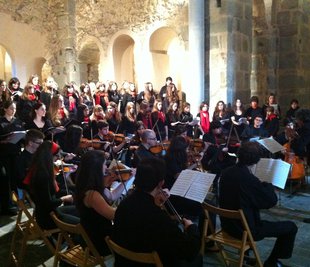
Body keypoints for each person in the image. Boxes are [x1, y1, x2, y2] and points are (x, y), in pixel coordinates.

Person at [112, 157, 202, 267]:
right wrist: (192, 228)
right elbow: (188, 252)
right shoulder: (159, 218)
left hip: (124, 262)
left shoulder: (123, 204)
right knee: (196, 258)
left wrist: (158, 205)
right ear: (161, 183)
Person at [219, 141, 298, 267]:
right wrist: (268, 185)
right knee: (291, 227)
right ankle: (272, 263)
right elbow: (270, 202)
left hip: (226, 225)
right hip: (246, 230)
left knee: (245, 208)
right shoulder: (250, 180)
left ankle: (246, 256)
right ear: (257, 160)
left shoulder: (225, 173)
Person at [26, 141, 77, 229]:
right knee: (84, 224)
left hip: (48, 212)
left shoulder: (38, 168)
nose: (57, 159)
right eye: (56, 156)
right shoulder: (42, 176)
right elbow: (49, 203)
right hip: (48, 218)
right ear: (49, 156)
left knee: (79, 210)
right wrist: (64, 198)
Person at [75, 150, 117, 256]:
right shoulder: (92, 195)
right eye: (104, 165)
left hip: (89, 234)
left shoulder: (83, 184)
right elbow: (113, 215)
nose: (106, 168)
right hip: (98, 242)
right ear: (96, 168)